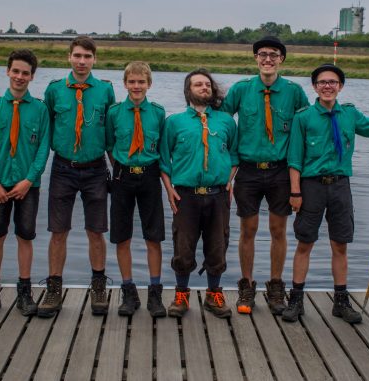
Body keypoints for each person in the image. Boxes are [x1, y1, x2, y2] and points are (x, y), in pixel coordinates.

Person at [283, 64, 369, 324]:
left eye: (333, 82)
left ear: (340, 86)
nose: (327, 86)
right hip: (311, 186)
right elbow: (294, 159)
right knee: (305, 243)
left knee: (340, 244)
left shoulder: (349, 114)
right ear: (314, 87)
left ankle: (341, 302)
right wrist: (295, 192)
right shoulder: (303, 117)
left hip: (340, 186)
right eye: (322, 82)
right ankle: (296, 300)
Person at [221, 36, 309, 315]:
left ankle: (275, 286)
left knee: (278, 230)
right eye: (262, 54)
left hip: (280, 170)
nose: (267, 59)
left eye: (273, 54)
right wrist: (225, 164)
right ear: (255, 58)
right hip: (248, 170)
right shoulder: (242, 89)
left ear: (281, 59)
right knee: (248, 230)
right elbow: (221, 121)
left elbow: (307, 125)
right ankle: (246, 286)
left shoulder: (294, 92)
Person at [38, 36, 116, 317]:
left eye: (87, 56)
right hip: (63, 168)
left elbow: (110, 134)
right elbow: (46, 130)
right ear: (69, 57)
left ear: (95, 59)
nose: (82, 61)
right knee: (58, 231)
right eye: (77, 56)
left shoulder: (105, 90)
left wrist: (116, 171)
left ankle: (98, 287)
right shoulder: (55, 90)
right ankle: (54, 289)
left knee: (96, 231)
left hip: (95, 169)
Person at [0, 49, 50, 318]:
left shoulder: (40, 110)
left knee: (25, 236)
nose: (19, 77)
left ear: (32, 76)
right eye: (15, 71)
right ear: (8, 71)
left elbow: (43, 148)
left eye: (25, 73)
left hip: (27, 186)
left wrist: (29, 180)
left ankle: (24, 293)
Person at [159, 68, 238, 319]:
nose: (204, 88)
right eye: (198, 84)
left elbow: (235, 154)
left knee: (218, 245)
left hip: (218, 195)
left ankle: (214, 294)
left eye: (207, 84)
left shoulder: (226, 121)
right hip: (185, 195)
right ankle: (181, 294)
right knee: (183, 245)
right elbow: (164, 159)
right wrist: (169, 189)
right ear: (188, 91)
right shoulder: (174, 122)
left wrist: (229, 180)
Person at [105, 61, 167, 317]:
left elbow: (162, 148)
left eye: (141, 82)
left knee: (154, 236)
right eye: (132, 82)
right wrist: (121, 168)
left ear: (149, 84)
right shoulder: (114, 113)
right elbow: (109, 145)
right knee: (122, 236)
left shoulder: (158, 113)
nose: (136, 86)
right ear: (125, 84)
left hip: (150, 175)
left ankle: (155, 292)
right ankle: (128, 291)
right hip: (123, 175)